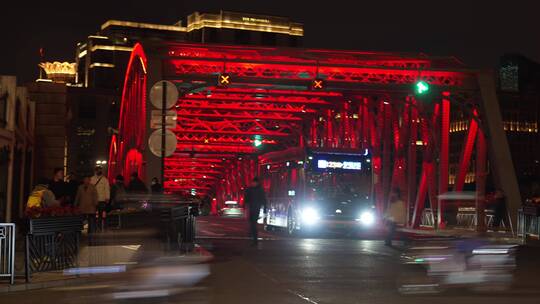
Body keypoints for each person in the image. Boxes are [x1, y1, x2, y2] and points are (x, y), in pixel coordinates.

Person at [243, 177, 268, 246]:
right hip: (252, 208)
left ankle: (254, 239)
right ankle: (253, 236)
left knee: (253, 223)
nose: (253, 183)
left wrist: (265, 209)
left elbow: (264, 200)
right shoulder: (257, 189)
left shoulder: (256, 190)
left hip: (256, 209)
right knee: (252, 223)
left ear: (256, 183)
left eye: (254, 182)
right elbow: (246, 198)